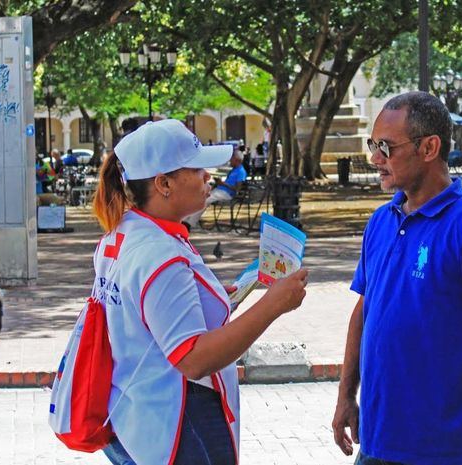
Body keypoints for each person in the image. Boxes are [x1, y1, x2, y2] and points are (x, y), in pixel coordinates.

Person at [92, 119, 308, 465]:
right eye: (197, 169)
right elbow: (193, 359)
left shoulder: (123, 236)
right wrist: (273, 304)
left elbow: (145, 314)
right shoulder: (159, 254)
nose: (210, 176)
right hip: (176, 427)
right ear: (163, 183)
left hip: (134, 415)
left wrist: (206, 298)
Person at [332, 92, 462, 465]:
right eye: (373, 145)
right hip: (377, 440)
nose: (375, 159)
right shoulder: (381, 221)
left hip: (443, 447)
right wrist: (346, 395)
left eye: (386, 148)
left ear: (429, 147)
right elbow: (364, 311)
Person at [184, 150, 248, 228]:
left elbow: (237, 189)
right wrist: (218, 183)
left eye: (232, 159)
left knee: (205, 200)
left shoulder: (241, 171)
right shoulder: (234, 170)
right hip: (220, 191)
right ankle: (185, 219)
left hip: (227, 194)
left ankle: (189, 223)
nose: (230, 160)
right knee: (198, 196)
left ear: (237, 160)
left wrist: (223, 184)